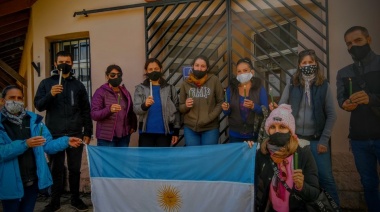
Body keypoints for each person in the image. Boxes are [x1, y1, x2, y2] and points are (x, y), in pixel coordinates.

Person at [270, 49, 339, 205]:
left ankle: (334, 208)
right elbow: (283, 105)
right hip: (296, 140)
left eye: (311, 62)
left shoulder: (324, 86)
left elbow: (332, 115)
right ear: (299, 65)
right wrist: (277, 108)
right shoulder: (292, 83)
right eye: (304, 63)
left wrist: (324, 140)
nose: (307, 65)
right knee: (297, 177)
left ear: (316, 64)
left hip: (317, 140)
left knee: (326, 177)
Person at [0, 85, 82, 212]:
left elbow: (47, 145)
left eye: (19, 98)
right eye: (11, 98)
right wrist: (25, 144)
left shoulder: (34, 120)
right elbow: (2, 152)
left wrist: (66, 141)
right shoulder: (2, 124)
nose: (16, 101)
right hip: (10, 183)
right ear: (2, 100)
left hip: (33, 180)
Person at [34, 51, 93, 212]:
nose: (64, 64)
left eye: (67, 61)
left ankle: (75, 198)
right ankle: (55, 201)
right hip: (54, 134)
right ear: (55, 64)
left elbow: (86, 110)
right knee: (56, 169)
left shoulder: (78, 85)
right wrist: (51, 94)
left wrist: (87, 131)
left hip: (75, 133)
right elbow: (39, 105)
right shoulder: (46, 83)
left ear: (72, 64)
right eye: (61, 61)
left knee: (75, 169)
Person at [336, 26, 380, 211]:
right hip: (359, 139)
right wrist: (345, 104)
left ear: (368, 40)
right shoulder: (343, 73)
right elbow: (341, 99)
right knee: (368, 184)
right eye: (349, 43)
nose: (353, 46)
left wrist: (372, 99)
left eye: (358, 41)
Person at [251, 104, 319, 211]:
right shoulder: (263, 153)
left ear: (290, 130)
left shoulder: (303, 154)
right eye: (273, 127)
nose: (277, 131)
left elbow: (314, 193)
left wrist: (301, 186)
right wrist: (246, 150)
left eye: (282, 127)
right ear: (268, 130)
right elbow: (253, 183)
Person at [133, 58, 180, 147]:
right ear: (146, 71)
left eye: (156, 69)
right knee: (146, 160)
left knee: (163, 160)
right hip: (146, 132)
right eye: (150, 69)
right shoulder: (140, 88)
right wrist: (145, 105)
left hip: (165, 133)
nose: (153, 71)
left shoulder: (170, 88)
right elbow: (136, 109)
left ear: (161, 69)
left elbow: (176, 110)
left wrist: (176, 131)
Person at [179, 55, 224, 146]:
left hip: (210, 128)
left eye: (203, 66)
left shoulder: (214, 80)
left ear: (207, 68)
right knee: (194, 157)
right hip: (190, 128)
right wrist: (186, 106)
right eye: (197, 65)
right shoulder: (186, 83)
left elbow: (221, 102)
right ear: (193, 66)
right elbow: (180, 107)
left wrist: (209, 118)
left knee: (209, 157)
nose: (199, 68)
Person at [221, 57, 268, 143]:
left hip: (254, 134)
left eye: (245, 70)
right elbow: (226, 112)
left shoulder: (259, 88)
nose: (242, 73)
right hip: (235, 134)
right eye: (239, 71)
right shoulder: (231, 89)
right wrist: (225, 108)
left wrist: (254, 106)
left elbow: (265, 110)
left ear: (252, 72)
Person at [91, 64, 137, 147]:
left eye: (119, 75)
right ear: (107, 76)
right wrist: (109, 110)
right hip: (107, 137)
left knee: (122, 160)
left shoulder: (125, 92)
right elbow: (94, 114)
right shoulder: (100, 92)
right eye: (112, 75)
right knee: (107, 160)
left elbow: (130, 110)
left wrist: (133, 124)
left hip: (124, 136)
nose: (116, 77)